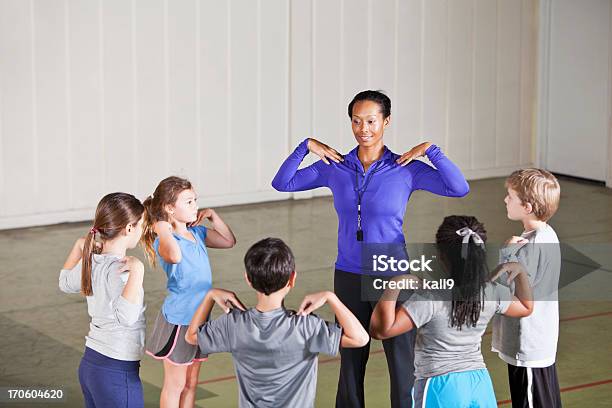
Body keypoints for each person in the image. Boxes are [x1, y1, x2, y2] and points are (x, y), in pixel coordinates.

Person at [272, 89, 469, 407]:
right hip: (348, 273)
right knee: (350, 362)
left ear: (386, 122)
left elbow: (458, 187)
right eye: (356, 121)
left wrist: (431, 151)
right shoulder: (335, 166)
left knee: (403, 364)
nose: (363, 128)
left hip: (393, 277)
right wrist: (306, 147)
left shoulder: (405, 168)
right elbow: (283, 183)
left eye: (371, 121)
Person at [370, 215, 533, 408]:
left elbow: (380, 330)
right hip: (479, 383)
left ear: (441, 256)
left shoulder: (431, 297)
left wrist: (395, 285)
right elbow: (526, 306)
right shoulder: (490, 291)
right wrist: (520, 271)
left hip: (440, 386)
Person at [184, 238, 369, 408]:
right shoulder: (305, 327)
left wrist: (209, 296)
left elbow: (191, 337)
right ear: (292, 279)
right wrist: (331, 297)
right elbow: (360, 338)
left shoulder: (233, 324)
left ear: (248, 279)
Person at [141, 176, 236, 408]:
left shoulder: (199, 234)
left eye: (195, 200)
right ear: (170, 208)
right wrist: (162, 228)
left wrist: (213, 216)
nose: (195, 206)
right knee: (176, 384)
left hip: (200, 318)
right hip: (179, 320)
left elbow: (228, 241)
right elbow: (174, 256)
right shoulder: (164, 241)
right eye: (189, 202)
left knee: (191, 383)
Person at [59, 192, 147, 408]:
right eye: (141, 224)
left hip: (91, 367)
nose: (143, 230)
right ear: (128, 228)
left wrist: (79, 247)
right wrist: (138, 272)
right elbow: (126, 317)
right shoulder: (123, 270)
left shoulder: (93, 262)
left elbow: (64, 282)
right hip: (116, 373)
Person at [492, 169, 562, 407]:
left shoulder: (530, 245)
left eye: (510, 196)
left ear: (528, 207)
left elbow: (509, 291)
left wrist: (506, 253)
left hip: (528, 344)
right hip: (540, 340)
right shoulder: (547, 234)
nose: (505, 200)